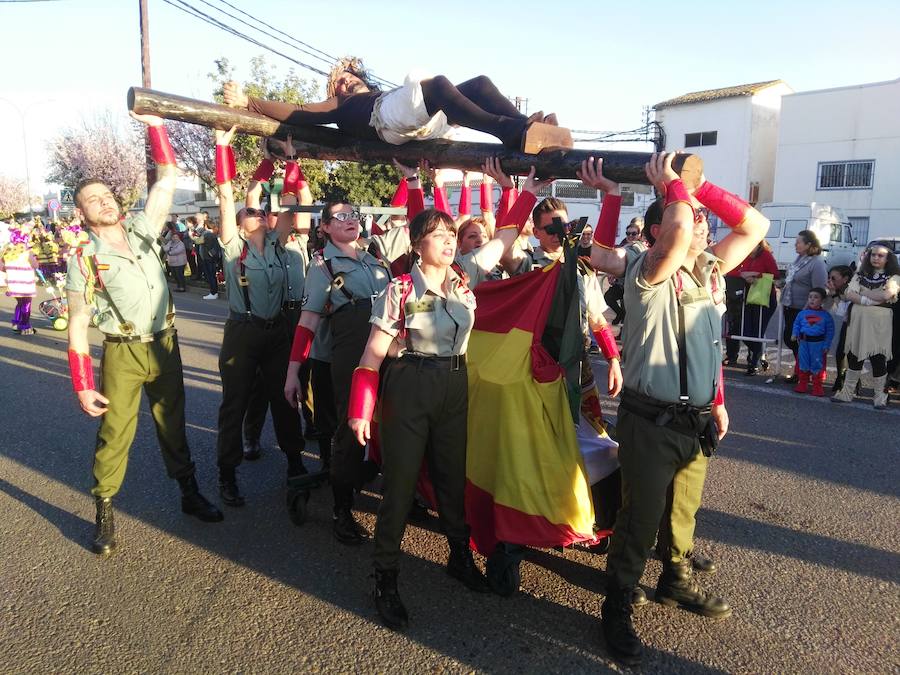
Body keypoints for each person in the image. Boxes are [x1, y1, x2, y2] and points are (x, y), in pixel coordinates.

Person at [591, 153, 768, 666]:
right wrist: (673, 189)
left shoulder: (710, 271)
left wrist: (701, 184)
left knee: (684, 513)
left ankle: (675, 578)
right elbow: (671, 241)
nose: (702, 225)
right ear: (662, 227)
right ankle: (618, 600)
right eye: (693, 218)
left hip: (696, 419)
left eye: (704, 221)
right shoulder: (650, 272)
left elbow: (755, 224)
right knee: (639, 518)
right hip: (650, 418)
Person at [64, 113, 223, 556]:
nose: (104, 202)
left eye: (106, 195)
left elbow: (168, 177)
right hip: (123, 352)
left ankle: (189, 494)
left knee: (173, 424)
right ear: (82, 213)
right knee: (116, 431)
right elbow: (78, 322)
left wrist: (155, 126)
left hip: (165, 344)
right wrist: (82, 384)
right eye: (92, 201)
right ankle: (105, 511)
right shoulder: (85, 258)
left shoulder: (143, 231)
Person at [347, 208, 488, 630]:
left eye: (451, 233)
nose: (448, 240)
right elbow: (373, 353)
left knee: (451, 478)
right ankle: (385, 578)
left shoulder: (464, 283)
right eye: (437, 235)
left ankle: (459, 556)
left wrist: (528, 193)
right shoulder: (400, 289)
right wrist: (360, 410)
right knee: (400, 486)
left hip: (454, 386)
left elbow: (504, 239)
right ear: (417, 245)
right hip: (411, 387)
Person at [284, 200, 391, 544]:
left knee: (391, 421)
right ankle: (342, 509)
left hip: (388, 348)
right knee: (349, 430)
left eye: (353, 215)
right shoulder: (323, 266)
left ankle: (394, 487)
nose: (350, 220)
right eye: (340, 216)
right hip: (350, 353)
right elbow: (308, 321)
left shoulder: (374, 258)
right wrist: (292, 373)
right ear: (325, 227)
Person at [212, 126, 309, 507]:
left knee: (286, 398)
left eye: (260, 210)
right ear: (239, 221)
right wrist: (223, 149)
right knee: (234, 403)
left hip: (275, 334)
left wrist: (289, 161)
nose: (259, 212)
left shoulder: (278, 244)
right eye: (251, 211)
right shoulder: (232, 247)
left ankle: (295, 461)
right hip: (242, 331)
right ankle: (227, 473)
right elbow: (226, 196)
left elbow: (291, 205)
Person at [224, 57, 556, 149]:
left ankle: (527, 129)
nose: (346, 80)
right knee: (436, 82)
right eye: (339, 81)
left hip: (421, 119)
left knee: (479, 84)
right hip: (386, 121)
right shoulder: (342, 105)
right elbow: (300, 114)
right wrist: (250, 102)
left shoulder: (378, 92)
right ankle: (510, 131)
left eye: (350, 75)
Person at [831, 243, 900, 408]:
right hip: (858, 322)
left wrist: (863, 293)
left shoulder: (894, 276)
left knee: (877, 358)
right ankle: (847, 393)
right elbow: (848, 293)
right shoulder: (861, 274)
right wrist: (868, 300)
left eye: (880, 255)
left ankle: (879, 397)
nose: (876, 258)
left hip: (879, 324)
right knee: (854, 356)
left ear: (888, 258)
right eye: (873, 255)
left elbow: (887, 294)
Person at [725, 241, 779, 375]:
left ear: (759, 244)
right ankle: (759, 357)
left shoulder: (766, 255)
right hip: (750, 298)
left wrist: (756, 275)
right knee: (746, 331)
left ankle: (754, 362)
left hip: (764, 298)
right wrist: (745, 275)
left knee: (757, 331)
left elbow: (775, 274)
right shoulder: (746, 256)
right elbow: (734, 271)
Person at [781, 230, 828, 383]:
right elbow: (791, 279)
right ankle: (801, 369)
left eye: (799, 242)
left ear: (809, 245)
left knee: (801, 341)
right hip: (791, 306)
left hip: (804, 310)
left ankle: (805, 372)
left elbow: (819, 288)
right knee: (791, 339)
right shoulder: (799, 259)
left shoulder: (817, 263)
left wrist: (808, 309)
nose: (795, 244)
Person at [790, 288, 835, 396]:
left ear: (822, 300)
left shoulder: (826, 316)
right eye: (810, 297)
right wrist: (794, 334)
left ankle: (817, 386)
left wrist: (826, 345)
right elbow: (797, 324)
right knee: (803, 363)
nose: (812, 300)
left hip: (818, 344)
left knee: (817, 364)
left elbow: (830, 332)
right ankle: (803, 383)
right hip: (804, 343)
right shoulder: (802, 313)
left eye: (816, 297)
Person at [2, 224, 40, 335]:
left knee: (19, 303)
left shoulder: (7, 253)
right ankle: (25, 327)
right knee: (26, 305)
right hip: (26, 283)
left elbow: (2, 267)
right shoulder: (27, 253)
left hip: (13, 283)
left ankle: (16, 324)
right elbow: (35, 265)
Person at [825, 265, 853, 391]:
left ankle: (851, 381)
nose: (830, 281)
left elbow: (843, 310)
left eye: (833, 278)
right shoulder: (839, 290)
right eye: (829, 278)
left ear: (845, 279)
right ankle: (840, 377)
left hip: (857, 324)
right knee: (840, 352)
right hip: (847, 323)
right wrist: (833, 293)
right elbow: (830, 307)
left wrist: (834, 294)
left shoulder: (852, 290)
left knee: (853, 354)